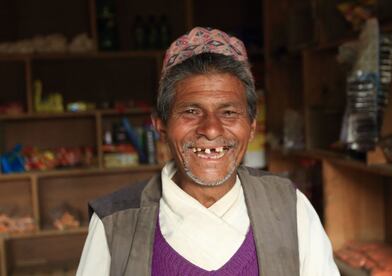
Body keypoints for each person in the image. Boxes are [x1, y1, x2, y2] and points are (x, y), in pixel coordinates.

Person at [76, 27, 340, 276]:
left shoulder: (289, 207)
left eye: (228, 112)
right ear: (161, 125)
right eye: (191, 111)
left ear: (251, 126)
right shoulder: (116, 221)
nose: (212, 130)